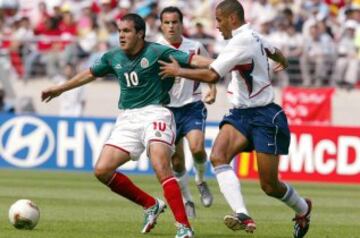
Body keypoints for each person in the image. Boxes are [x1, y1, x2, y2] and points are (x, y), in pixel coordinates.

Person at [40, 13, 212, 238]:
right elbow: (90, 74)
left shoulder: (157, 51)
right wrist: (60, 88)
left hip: (157, 112)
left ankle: (184, 227)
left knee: (161, 164)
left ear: (140, 33)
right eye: (120, 31)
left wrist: (225, 63)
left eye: (127, 31)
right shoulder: (113, 56)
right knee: (102, 170)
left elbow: (195, 60)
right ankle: (151, 204)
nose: (121, 35)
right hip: (128, 118)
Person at [159, 1, 312, 238]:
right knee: (218, 156)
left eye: (219, 20)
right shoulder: (252, 37)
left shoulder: (242, 42)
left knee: (269, 186)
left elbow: (211, 73)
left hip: (265, 116)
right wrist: (283, 61)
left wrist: (178, 71)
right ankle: (242, 214)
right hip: (240, 114)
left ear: (232, 18)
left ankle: (303, 208)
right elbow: (274, 50)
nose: (217, 25)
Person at [158, 6, 215, 218]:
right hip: (166, 109)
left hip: (192, 105)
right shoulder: (155, 47)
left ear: (182, 24)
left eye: (175, 22)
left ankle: (200, 180)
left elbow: (212, 70)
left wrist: (212, 88)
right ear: (161, 25)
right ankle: (187, 199)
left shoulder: (196, 47)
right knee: (177, 162)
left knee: (198, 148)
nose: (171, 26)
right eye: (167, 22)